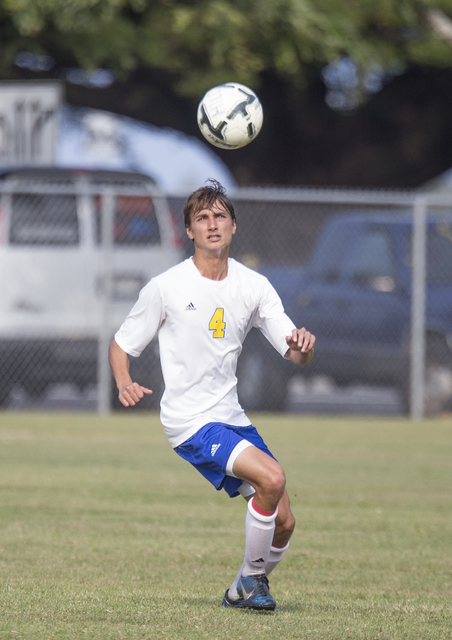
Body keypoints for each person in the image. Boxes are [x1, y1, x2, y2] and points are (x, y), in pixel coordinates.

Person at [109, 179, 315, 611]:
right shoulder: (167, 287)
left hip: (230, 416)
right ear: (189, 231)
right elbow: (121, 344)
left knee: (285, 522)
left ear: (234, 226)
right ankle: (254, 581)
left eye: (220, 216)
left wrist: (301, 348)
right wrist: (123, 379)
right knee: (272, 477)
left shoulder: (254, 286)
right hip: (189, 419)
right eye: (202, 218)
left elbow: (292, 353)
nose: (212, 225)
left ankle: (242, 587)